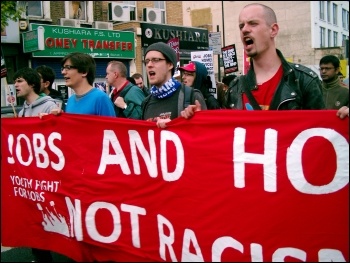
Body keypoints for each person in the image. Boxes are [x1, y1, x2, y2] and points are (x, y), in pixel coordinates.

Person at [181, 3, 325, 119]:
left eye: (253, 23)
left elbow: (321, 135)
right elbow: (228, 134)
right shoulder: (235, 89)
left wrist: (344, 118)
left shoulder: (303, 81)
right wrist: (201, 118)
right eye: (241, 26)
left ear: (273, 30)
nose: (244, 30)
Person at [13, 67, 59, 262]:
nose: (15, 85)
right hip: (30, 175)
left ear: (32, 84)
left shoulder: (49, 106)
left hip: (46, 175)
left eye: (20, 81)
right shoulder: (23, 109)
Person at [141, 42, 207, 128]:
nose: (149, 65)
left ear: (170, 65)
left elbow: (206, 135)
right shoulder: (146, 102)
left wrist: (174, 125)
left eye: (155, 60)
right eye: (147, 61)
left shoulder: (191, 96)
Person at [60, 52, 116, 116]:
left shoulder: (101, 99)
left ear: (84, 72)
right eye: (63, 68)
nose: (63, 72)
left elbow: (110, 125)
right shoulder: (70, 100)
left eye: (68, 68)